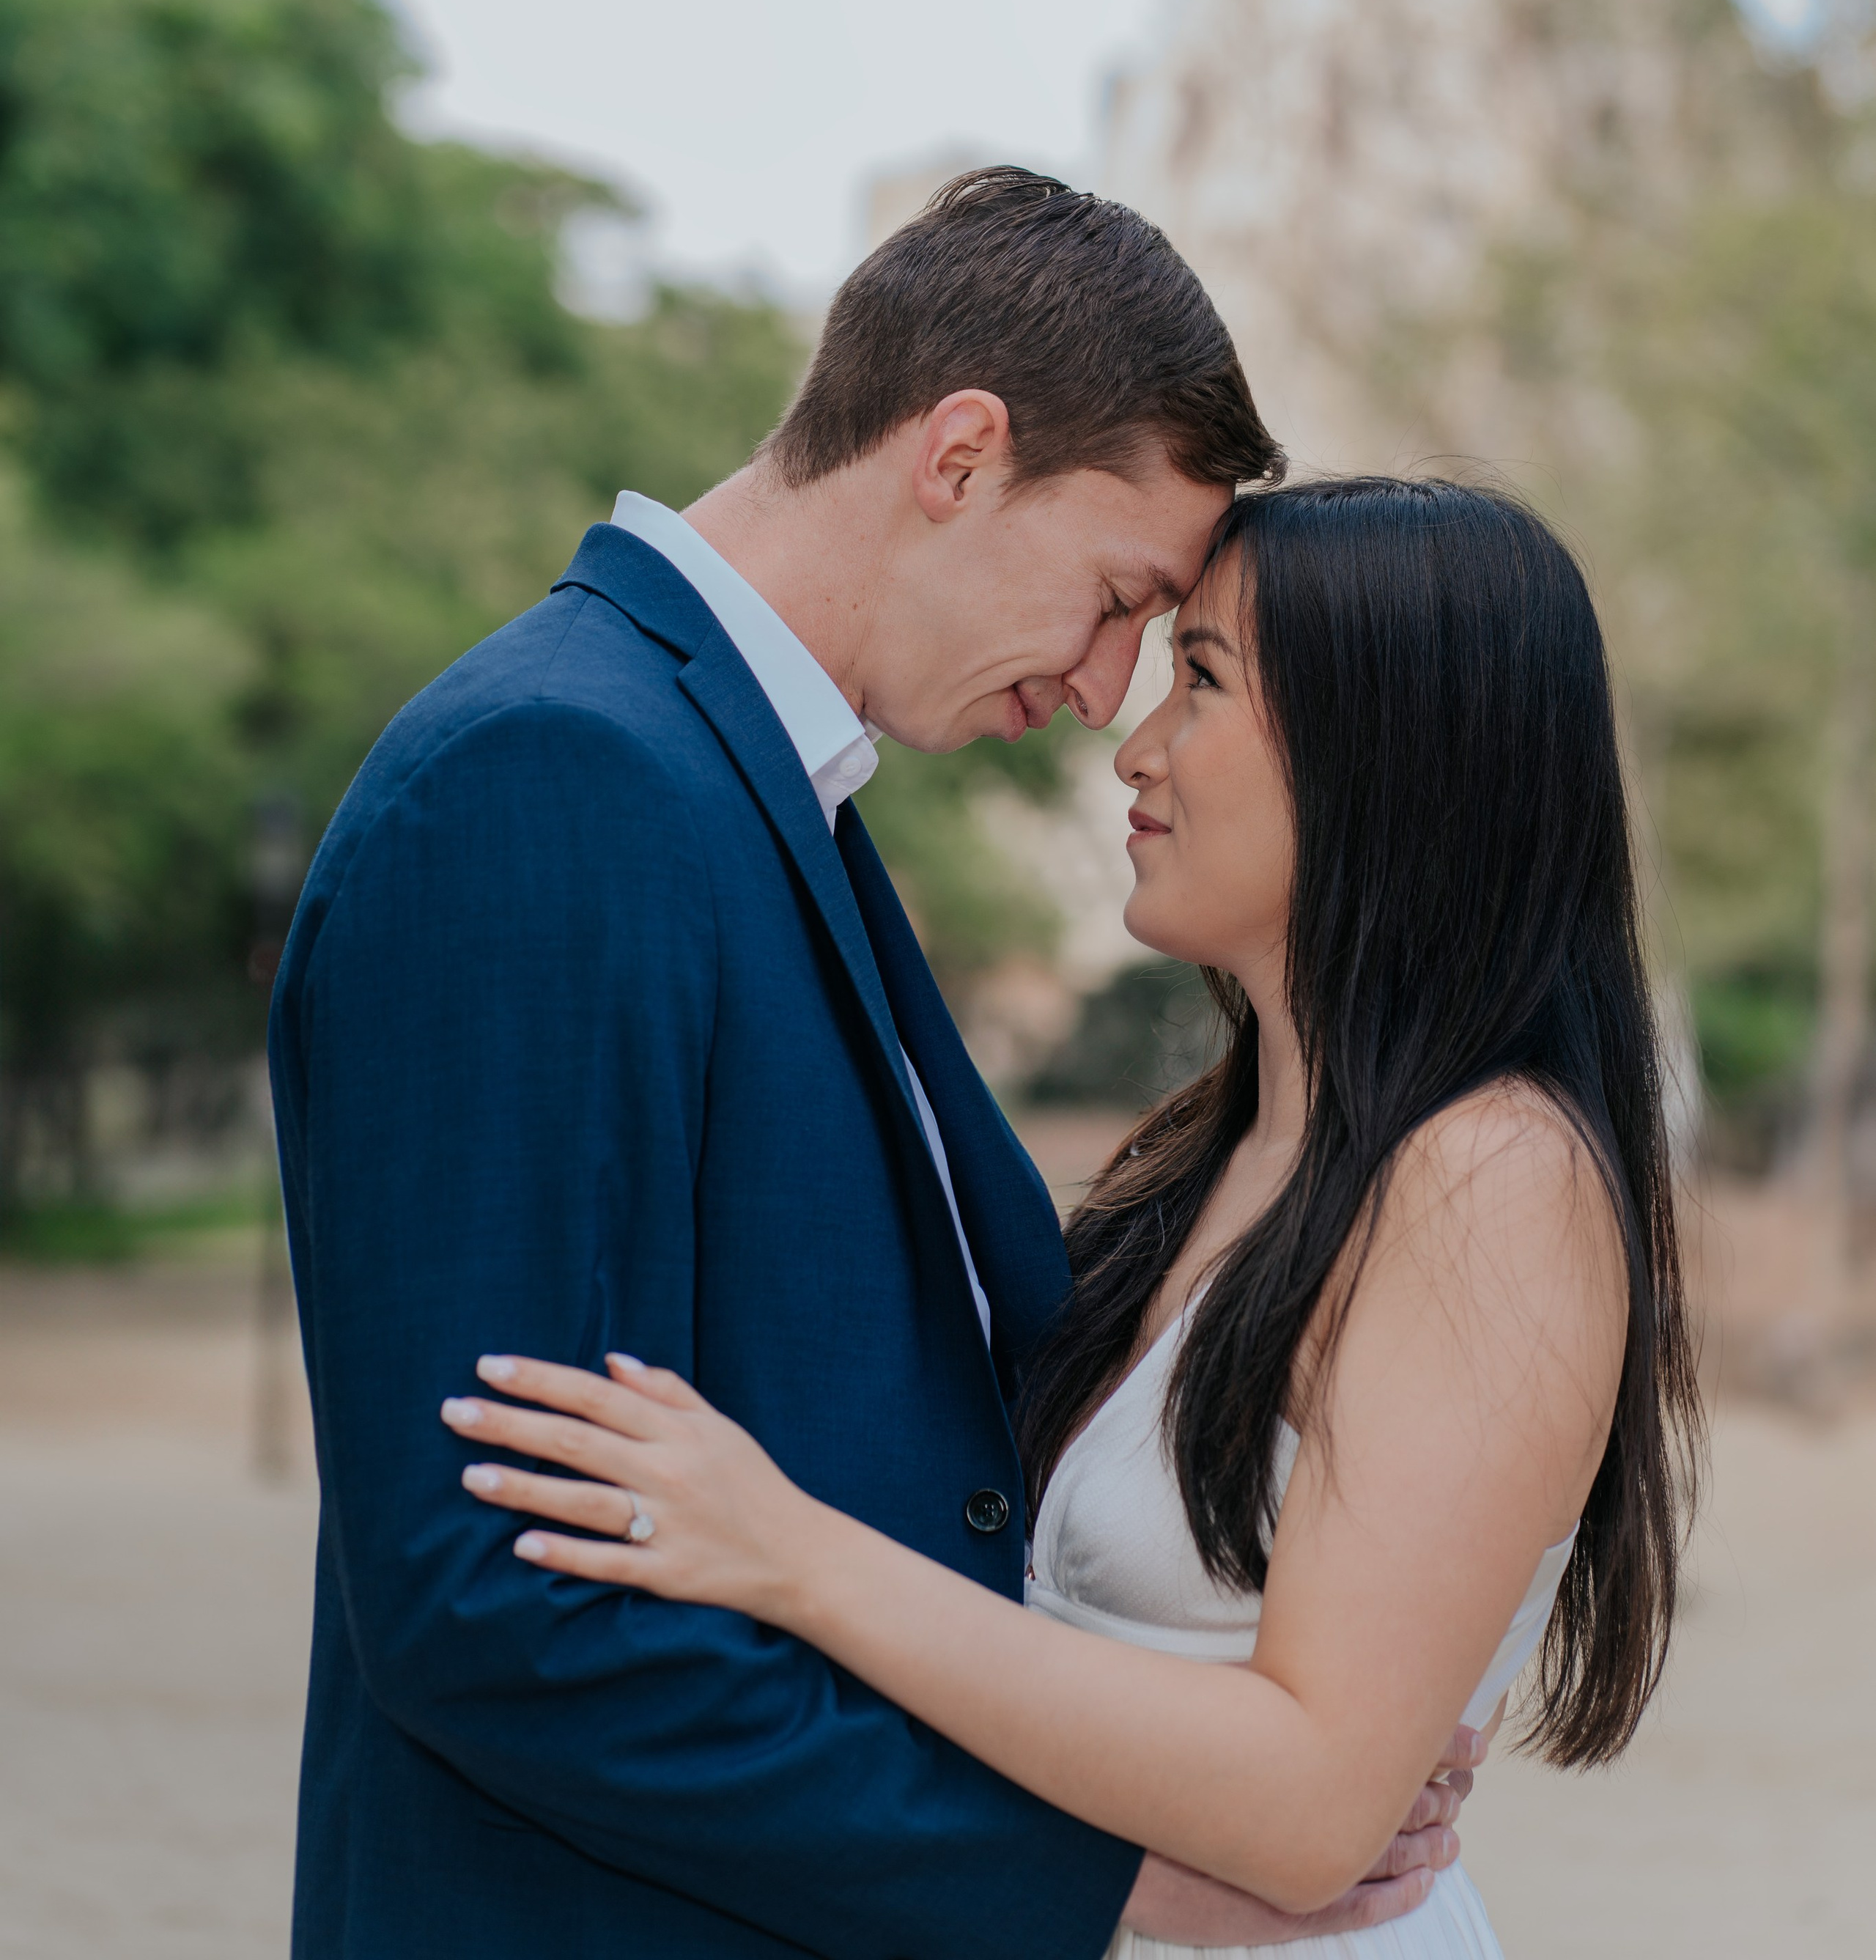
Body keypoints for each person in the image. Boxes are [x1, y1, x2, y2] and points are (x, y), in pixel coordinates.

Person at [270, 170, 1471, 1960]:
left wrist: (1266, 1720)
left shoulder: (744, 791)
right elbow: (496, 1601)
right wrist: (1101, 1871)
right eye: (1116, 592)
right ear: (959, 452)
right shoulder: (549, 780)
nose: (1101, 688)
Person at [440, 476, 1705, 1960]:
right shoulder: (1214, 1160)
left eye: (1201, 682)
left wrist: (786, 1552)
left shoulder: (1489, 1180)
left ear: (1388, 753)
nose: (1136, 744)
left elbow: (1308, 1810)